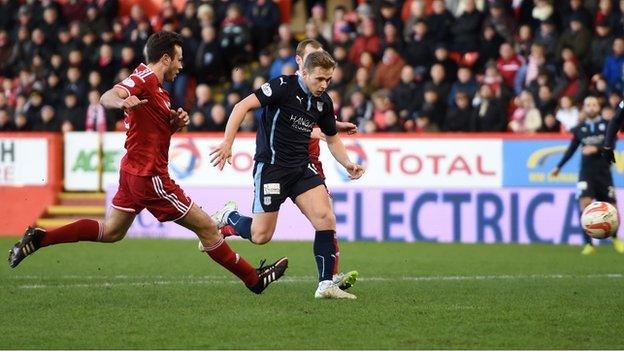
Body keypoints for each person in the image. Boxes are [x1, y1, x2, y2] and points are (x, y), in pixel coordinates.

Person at [7, 31, 288, 294]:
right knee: (207, 228)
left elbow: (151, 129)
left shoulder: (160, 92)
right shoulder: (144, 78)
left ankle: (42, 238)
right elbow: (109, 96)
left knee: (112, 231)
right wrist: (122, 102)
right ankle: (254, 279)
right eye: (178, 59)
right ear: (165, 58)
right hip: (149, 176)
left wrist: (173, 124)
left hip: (133, 171)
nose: (180, 66)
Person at [209, 51, 365, 299]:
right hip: (272, 168)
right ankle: (229, 215)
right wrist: (228, 142)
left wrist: (348, 164)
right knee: (261, 236)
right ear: (303, 73)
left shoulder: (323, 102)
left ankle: (325, 284)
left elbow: (332, 138)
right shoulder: (283, 86)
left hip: (301, 168)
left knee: (325, 218)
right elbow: (242, 106)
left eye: (328, 79)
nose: (323, 85)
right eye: (319, 79)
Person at [551, 96, 624, 255]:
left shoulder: (607, 125)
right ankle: (589, 244)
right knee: (584, 204)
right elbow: (571, 149)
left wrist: (597, 148)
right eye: (588, 105)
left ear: (598, 107)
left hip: (604, 172)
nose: (591, 107)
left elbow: (614, 140)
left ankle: (616, 239)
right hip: (586, 173)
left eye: (594, 104)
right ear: (584, 108)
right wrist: (558, 166)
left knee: (612, 207)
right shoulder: (579, 129)